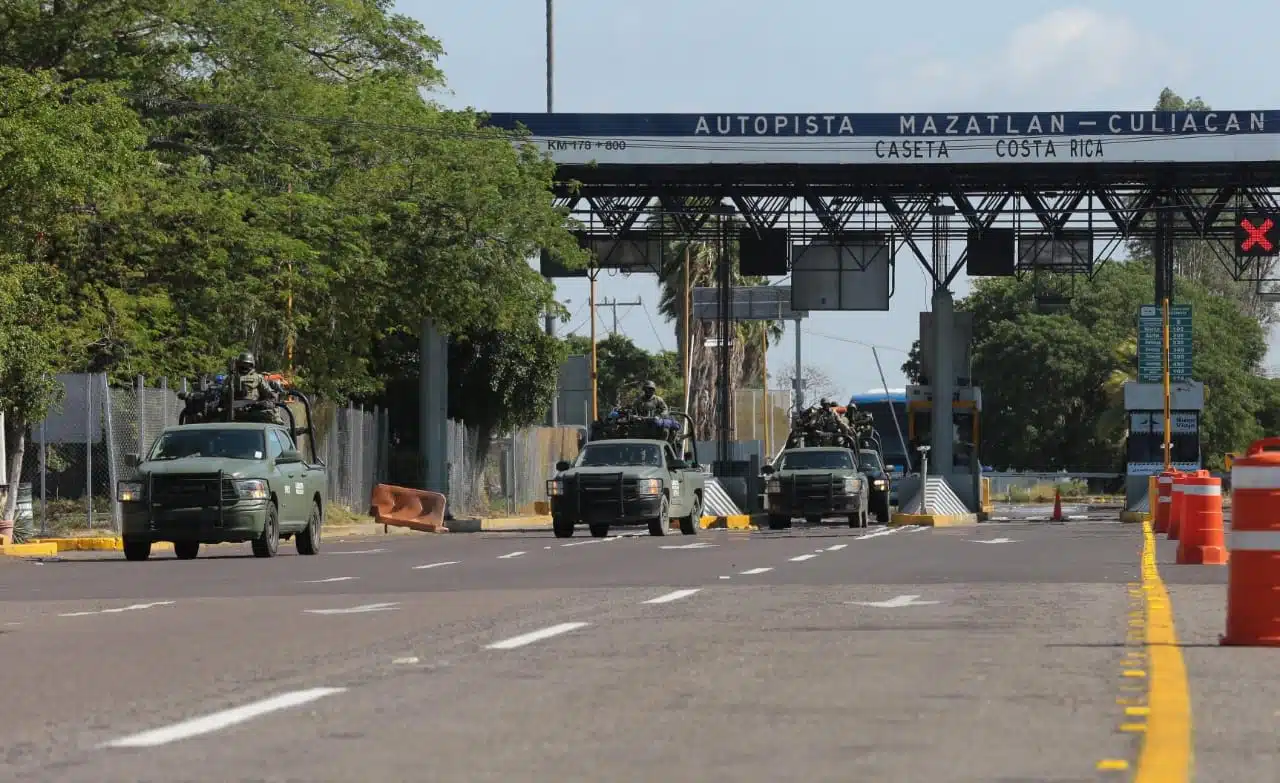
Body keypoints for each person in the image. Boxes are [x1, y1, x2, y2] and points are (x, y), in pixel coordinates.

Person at [232, 352, 284, 425]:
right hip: (234, 411)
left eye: (247, 364)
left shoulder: (258, 377)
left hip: (253, 409)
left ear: (251, 365)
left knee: (271, 415)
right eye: (242, 364)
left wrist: (265, 403)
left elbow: (270, 394)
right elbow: (223, 394)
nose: (244, 366)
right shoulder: (231, 378)